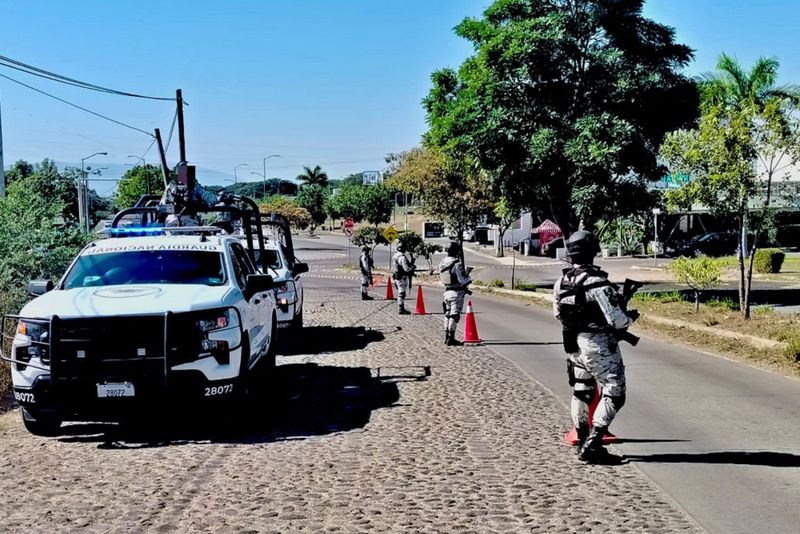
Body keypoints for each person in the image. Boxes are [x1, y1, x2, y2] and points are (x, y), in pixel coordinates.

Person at [553, 230, 638, 464]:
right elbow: (617, 320)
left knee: (582, 390)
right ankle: (593, 443)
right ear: (593, 251)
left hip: (573, 343)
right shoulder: (598, 283)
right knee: (614, 392)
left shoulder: (561, 282)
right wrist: (630, 318)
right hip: (598, 344)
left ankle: (582, 436)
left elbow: (557, 313)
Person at [438, 241, 472, 346]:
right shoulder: (456, 264)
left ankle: (447, 337)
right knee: (454, 316)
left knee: (447, 315)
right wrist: (468, 276)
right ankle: (451, 338)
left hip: (446, 291)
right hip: (456, 293)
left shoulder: (442, 262)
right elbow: (463, 280)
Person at [392, 242, 414, 314]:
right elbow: (406, 269)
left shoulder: (395, 256)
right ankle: (401, 309)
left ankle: (401, 308)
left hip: (397, 276)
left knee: (401, 292)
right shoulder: (402, 257)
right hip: (402, 277)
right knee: (402, 293)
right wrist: (412, 268)